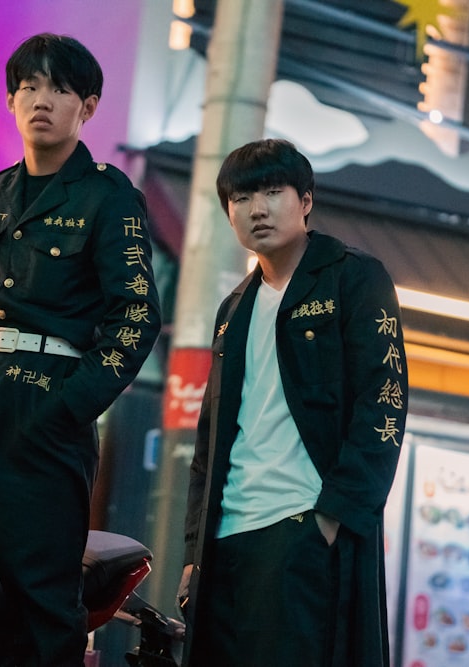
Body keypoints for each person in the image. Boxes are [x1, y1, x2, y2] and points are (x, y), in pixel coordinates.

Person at [0, 33, 161, 667]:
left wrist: (70, 407)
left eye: (58, 89)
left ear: (88, 107)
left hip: (46, 402)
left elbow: (136, 315)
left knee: (39, 587)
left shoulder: (108, 196)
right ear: (11, 100)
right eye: (27, 87)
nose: (39, 100)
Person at [178, 138, 407, 666]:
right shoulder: (233, 309)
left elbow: (384, 403)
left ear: (305, 200)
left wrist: (335, 517)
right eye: (240, 198)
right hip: (227, 537)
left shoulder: (355, 277)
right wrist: (194, 551)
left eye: (273, 192)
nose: (256, 209)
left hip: (302, 527)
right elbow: (210, 440)